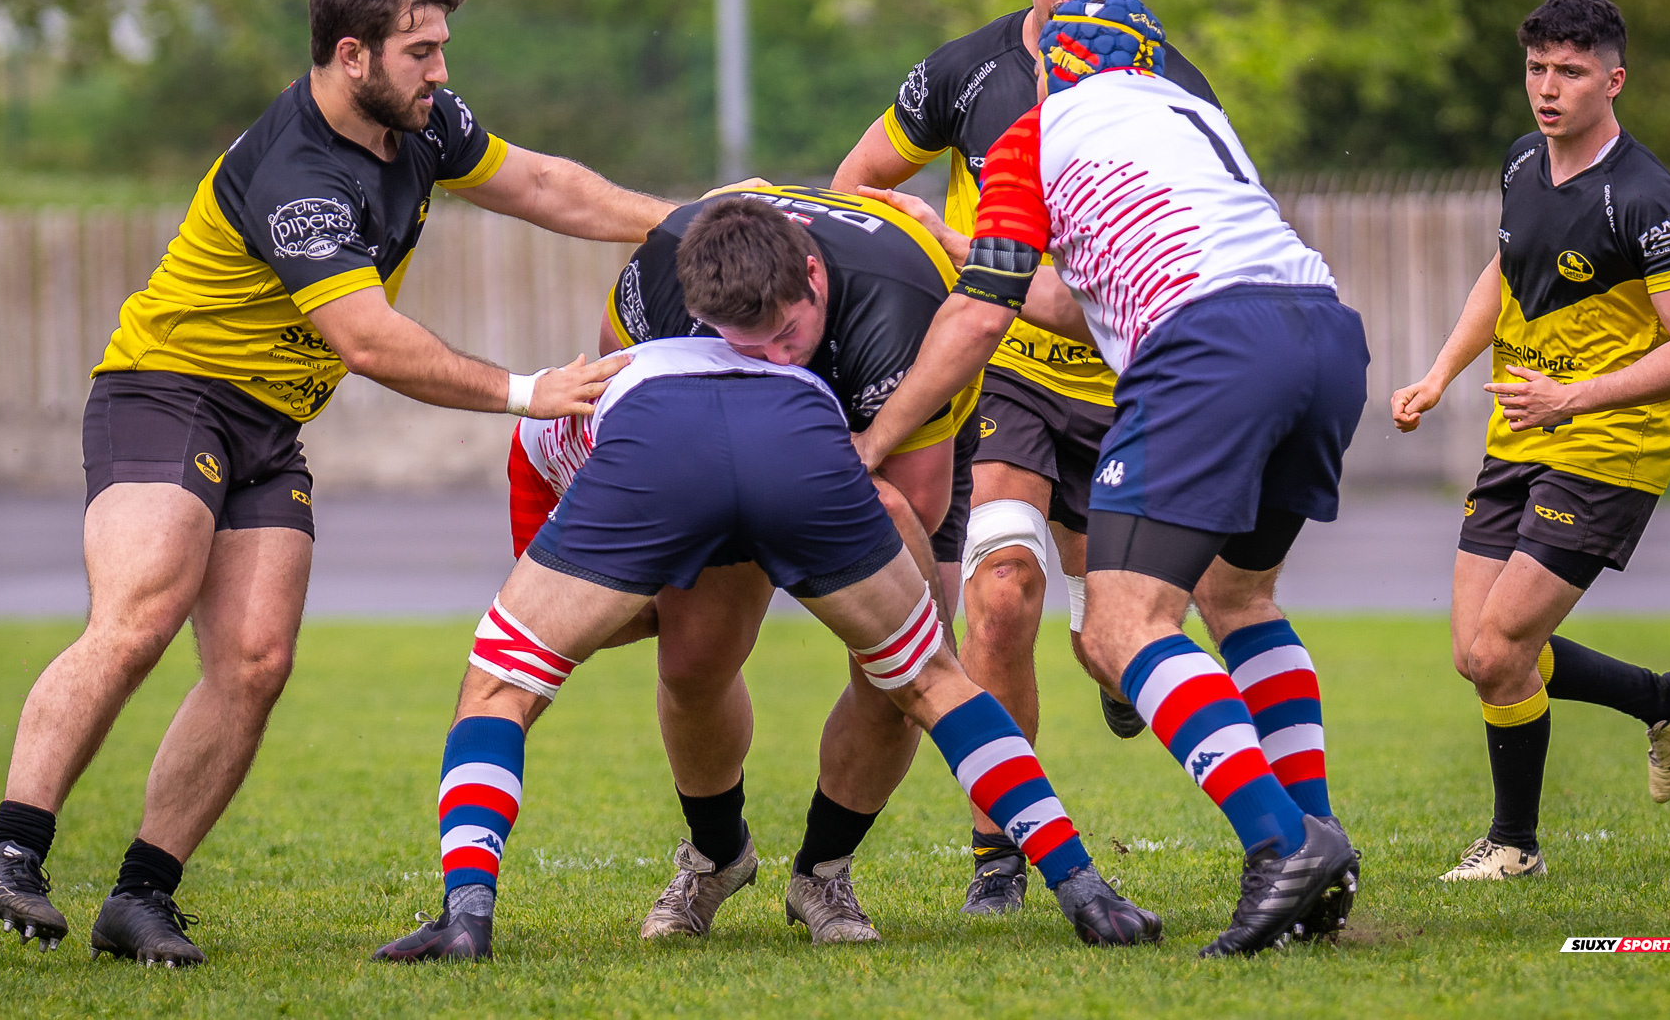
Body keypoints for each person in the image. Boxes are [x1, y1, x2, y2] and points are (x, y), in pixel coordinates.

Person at [0, 0, 670, 967]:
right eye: (422, 51)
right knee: (143, 608)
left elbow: (545, 185)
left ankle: (140, 894)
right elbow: (369, 342)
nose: (443, 71)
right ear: (351, 55)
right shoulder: (298, 174)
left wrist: (685, 218)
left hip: (268, 423)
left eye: (444, 46)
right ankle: (10, 849)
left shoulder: (422, 123)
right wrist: (525, 390)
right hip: (168, 392)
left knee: (254, 661)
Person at [851, 0, 1366, 956]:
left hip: (1208, 351)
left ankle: (1282, 844)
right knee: (1242, 598)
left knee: (1122, 628)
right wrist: (968, 243)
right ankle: (1320, 850)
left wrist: (876, 439)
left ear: (1052, 67)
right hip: (1325, 333)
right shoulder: (1193, 117)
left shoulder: (1035, 133)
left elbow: (978, 316)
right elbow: (1093, 296)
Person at [372, 336, 1161, 960]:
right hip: (796, 439)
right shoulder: (803, 361)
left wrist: (625, 602)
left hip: (666, 450)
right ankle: (1083, 886)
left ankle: (467, 913)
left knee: (502, 683)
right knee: (925, 678)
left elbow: (561, 614)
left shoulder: (555, 418)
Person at [831, 0, 1220, 913]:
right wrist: (935, 260)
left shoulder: (1178, 90)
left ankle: (1123, 679)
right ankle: (998, 855)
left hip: (1133, 391)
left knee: (1121, 638)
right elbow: (855, 184)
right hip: (1006, 378)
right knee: (998, 593)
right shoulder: (968, 73)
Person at [1390, 0, 1670, 882]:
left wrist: (1575, 399)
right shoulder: (1521, 164)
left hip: (1611, 446)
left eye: (1570, 72)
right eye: (1537, 68)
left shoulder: (1648, 198)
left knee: (1503, 649)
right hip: (1522, 427)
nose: (1549, 87)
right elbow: (1503, 275)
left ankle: (1514, 845)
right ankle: (1662, 698)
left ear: (1613, 79)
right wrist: (1439, 373)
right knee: (1477, 655)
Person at [598, 188, 982, 941]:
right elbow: (624, 400)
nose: (775, 361)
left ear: (813, 276)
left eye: (787, 335)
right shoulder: (660, 278)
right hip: (741, 448)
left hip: (888, 458)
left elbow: (915, 504)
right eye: (747, 345)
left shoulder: (900, 306)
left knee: (899, 668)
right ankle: (715, 857)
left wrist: (788, 490)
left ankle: (823, 875)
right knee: (692, 657)